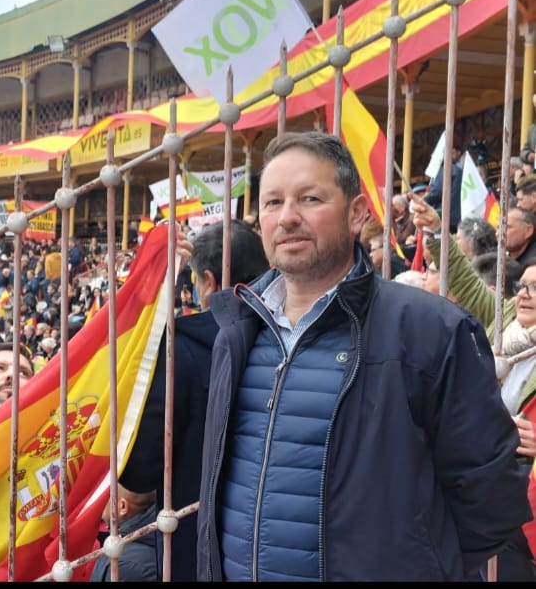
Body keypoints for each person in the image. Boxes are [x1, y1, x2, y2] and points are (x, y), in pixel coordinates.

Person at [196, 131, 530, 582]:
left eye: (310, 198)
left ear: (356, 213)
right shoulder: (237, 332)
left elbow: (490, 499)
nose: (287, 217)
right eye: (272, 203)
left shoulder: (430, 330)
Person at [121, 219, 269, 581]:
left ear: (209, 282)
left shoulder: (179, 350)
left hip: (199, 543)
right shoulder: (293, 337)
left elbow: (141, 470)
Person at [410, 196, 536, 580]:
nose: (525, 293)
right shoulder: (507, 319)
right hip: (485, 475)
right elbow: (463, 280)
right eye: (524, 286)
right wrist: (435, 230)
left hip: (522, 491)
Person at [89, 484, 159, 582]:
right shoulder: (159, 535)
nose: (101, 504)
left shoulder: (124, 566)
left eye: (106, 497)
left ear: (122, 506)